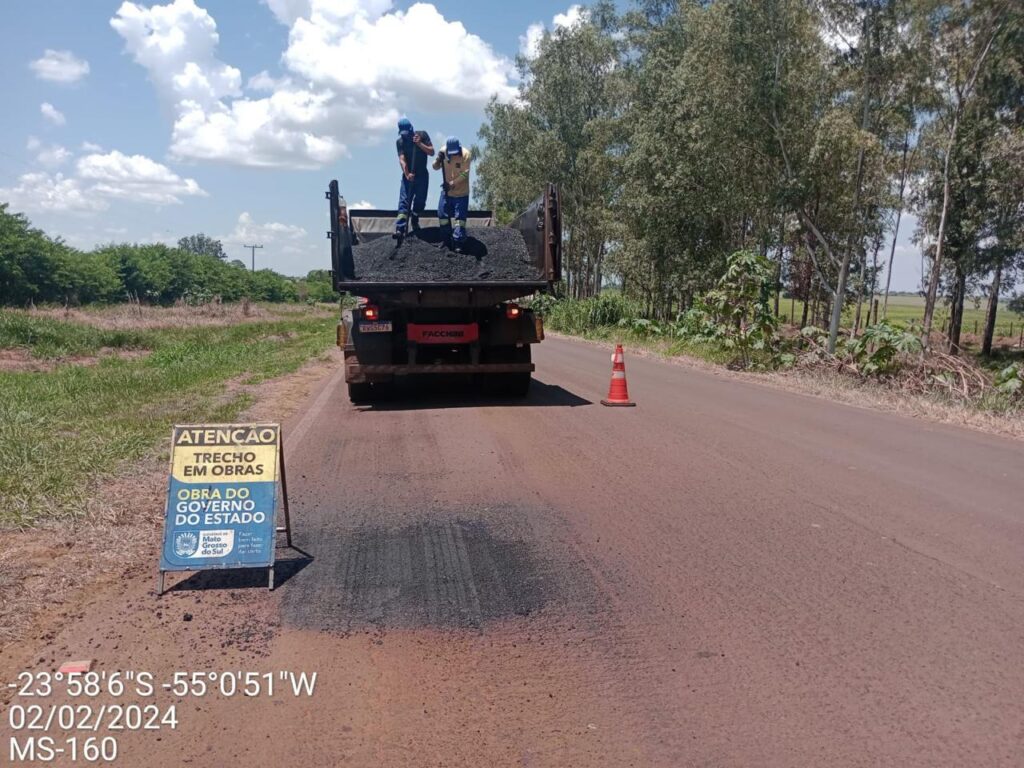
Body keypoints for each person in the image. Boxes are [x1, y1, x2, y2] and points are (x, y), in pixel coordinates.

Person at [393, 118, 433, 239]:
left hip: (422, 175)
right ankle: (400, 228)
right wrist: (407, 174)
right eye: (403, 134)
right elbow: (402, 159)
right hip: (408, 176)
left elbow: (431, 152)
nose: (405, 136)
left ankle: (415, 218)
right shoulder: (400, 142)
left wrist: (420, 144)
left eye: (407, 133)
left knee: (420, 201)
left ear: (411, 130)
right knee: (404, 202)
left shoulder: (422, 135)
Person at [432, 136, 472, 252]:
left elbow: (465, 175)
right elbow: (435, 167)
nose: (454, 155)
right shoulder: (443, 152)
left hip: (461, 193)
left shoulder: (466, 155)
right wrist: (438, 160)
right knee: (442, 214)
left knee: (460, 220)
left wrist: (452, 183)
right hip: (447, 193)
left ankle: (458, 242)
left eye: (455, 153)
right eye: (451, 153)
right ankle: (446, 239)